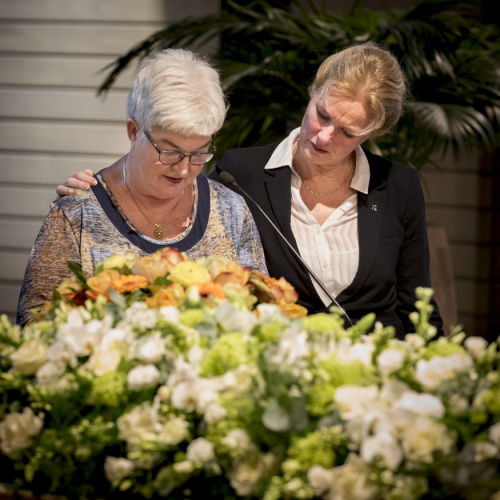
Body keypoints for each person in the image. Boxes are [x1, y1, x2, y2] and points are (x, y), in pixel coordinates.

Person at [56, 42, 443, 338]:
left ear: (373, 133)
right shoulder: (242, 172)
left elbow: (417, 305)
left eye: (348, 132)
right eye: (321, 114)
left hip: (377, 369)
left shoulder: (398, 186)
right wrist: (99, 187)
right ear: (313, 91)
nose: (324, 136)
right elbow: (168, 184)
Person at [17, 49, 267, 326]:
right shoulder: (77, 214)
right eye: (169, 152)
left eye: (199, 153)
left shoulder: (231, 210)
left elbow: (260, 309)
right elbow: (35, 321)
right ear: (133, 132)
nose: (185, 170)